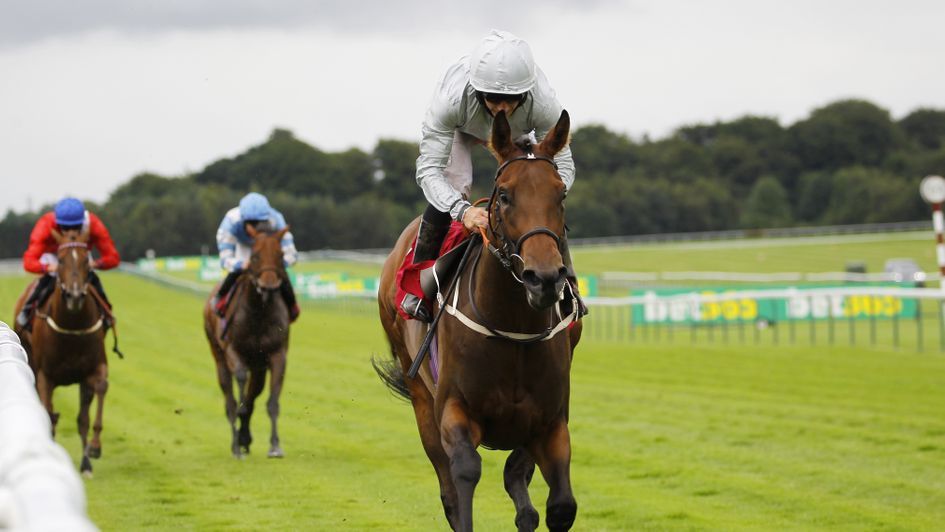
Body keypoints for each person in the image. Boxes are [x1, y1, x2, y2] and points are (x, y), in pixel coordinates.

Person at [404, 29, 586, 321]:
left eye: (512, 99)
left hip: (515, 134)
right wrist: (463, 211)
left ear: (525, 93)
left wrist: (545, 194)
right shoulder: (450, 100)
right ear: (478, 91)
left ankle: (569, 286)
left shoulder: (543, 102)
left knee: (539, 193)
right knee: (456, 183)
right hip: (459, 129)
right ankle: (418, 289)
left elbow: (562, 162)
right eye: (493, 98)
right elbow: (429, 170)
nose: (502, 107)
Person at [16, 197, 120, 330]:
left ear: (83, 222)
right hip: (54, 257)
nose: (71, 232)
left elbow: (113, 258)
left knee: (92, 278)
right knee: (48, 279)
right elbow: (29, 262)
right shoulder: (46, 224)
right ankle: (27, 311)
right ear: (57, 223)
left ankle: (106, 312)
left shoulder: (93, 223)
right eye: (65, 227)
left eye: (76, 227)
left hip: (80, 256)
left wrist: (95, 264)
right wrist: (48, 267)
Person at [213, 192, 300, 322]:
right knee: (236, 272)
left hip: (267, 245)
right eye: (251, 223)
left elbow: (291, 254)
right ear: (242, 219)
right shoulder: (230, 222)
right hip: (242, 245)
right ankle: (220, 299)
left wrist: (276, 264)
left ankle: (292, 305)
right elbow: (225, 259)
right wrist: (241, 264)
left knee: (279, 271)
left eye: (259, 222)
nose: (255, 227)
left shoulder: (277, 219)